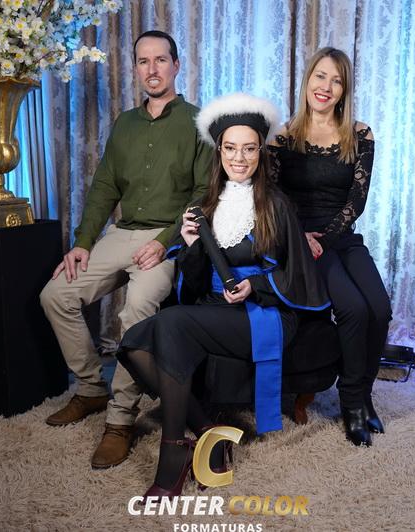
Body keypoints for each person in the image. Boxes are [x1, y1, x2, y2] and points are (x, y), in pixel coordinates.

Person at [117, 93, 330, 498]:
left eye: (249, 149)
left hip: (263, 313)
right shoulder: (204, 206)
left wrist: (257, 285)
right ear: (219, 151)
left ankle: (172, 456)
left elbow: (300, 275)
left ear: (261, 152)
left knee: (171, 325)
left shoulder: (277, 205)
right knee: (132, 344)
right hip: (216, 306)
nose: (239, 158)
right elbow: (195, 283)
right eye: (230, 148)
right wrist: (190, 245)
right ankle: (208, 431)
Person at [39, 30, 212, 469]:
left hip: (168, 240)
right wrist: (82, 243)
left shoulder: (199, 123)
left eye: (160, 60)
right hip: (122, 233)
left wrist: (164, 242)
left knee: (136, 311)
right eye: (143, 61)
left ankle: (120, 420)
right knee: (55, 295)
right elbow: (104, 188)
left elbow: (203, 196)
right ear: (135, 68)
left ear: (176, 65)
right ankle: (91, 388)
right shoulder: (125, 124)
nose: (152, 69)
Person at [270, 47, 392, 447]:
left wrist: (327, 236)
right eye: (320, 76)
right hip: (301, 242)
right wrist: (301, 238)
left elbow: (357, 201)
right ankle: (351, 402)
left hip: (340, 237)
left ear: (344, 90)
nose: (326, 86)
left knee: (380, 307)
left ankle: (364, 394)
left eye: (336, 80)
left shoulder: (360, 134)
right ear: (308, 80)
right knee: (353, 308)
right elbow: (274, 200)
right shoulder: (282, 137)